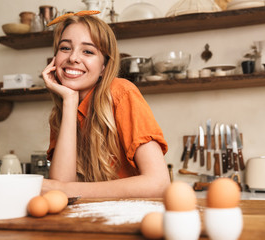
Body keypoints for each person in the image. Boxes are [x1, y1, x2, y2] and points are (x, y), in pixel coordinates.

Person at [41, 12, 170, 198]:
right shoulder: (61, 111)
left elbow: (159, 183)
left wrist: (64, 190)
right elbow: (61, 188)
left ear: (104, 66)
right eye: (65, 48)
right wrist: (69, 101)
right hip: (90, 219)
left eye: (88, 51)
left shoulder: (122, 93)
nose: (73, 58)